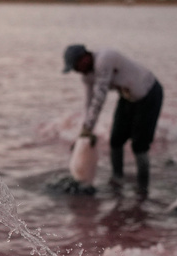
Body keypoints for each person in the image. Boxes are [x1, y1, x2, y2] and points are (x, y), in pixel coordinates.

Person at [62, 44, 164, 196]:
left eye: (76, 66)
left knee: (139, 146)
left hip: (149, 94)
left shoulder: (105, 58)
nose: (77, 71)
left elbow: (100, 96)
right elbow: (88, 103)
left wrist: (88, 128)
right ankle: (117, 180)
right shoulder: (86, 77)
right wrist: (84, 131)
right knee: (115, 140)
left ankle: (143, 189)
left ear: (84, 58)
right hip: (127, 97)